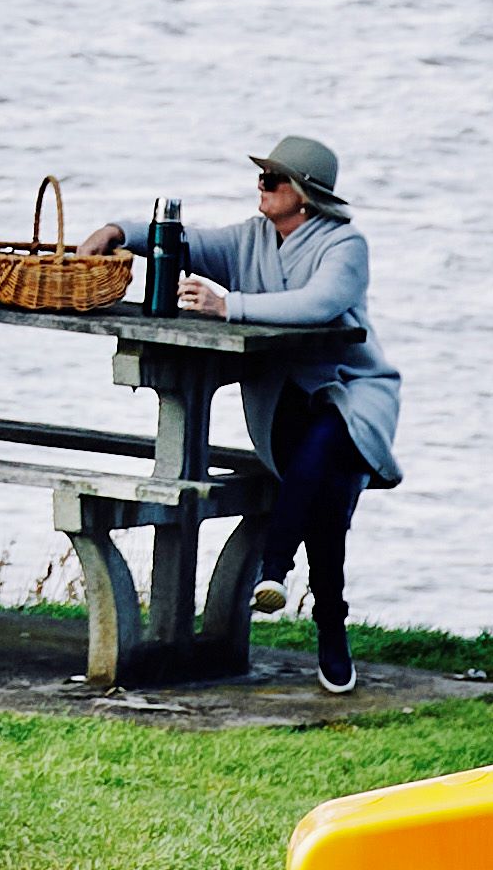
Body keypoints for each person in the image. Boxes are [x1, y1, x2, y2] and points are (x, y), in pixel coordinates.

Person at [88, 136, 401, 692]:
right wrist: (120, 232)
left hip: (352, 393)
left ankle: (274, 570)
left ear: (305, 196)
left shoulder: (346, 246)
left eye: (272, 180)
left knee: (329, 442)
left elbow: (319, 304)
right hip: (282, 400)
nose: (261, 187)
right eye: (262, 178)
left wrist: (227, 305)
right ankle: (331, 624)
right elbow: (191, 244)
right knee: (326, 495)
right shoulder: (251, 238)